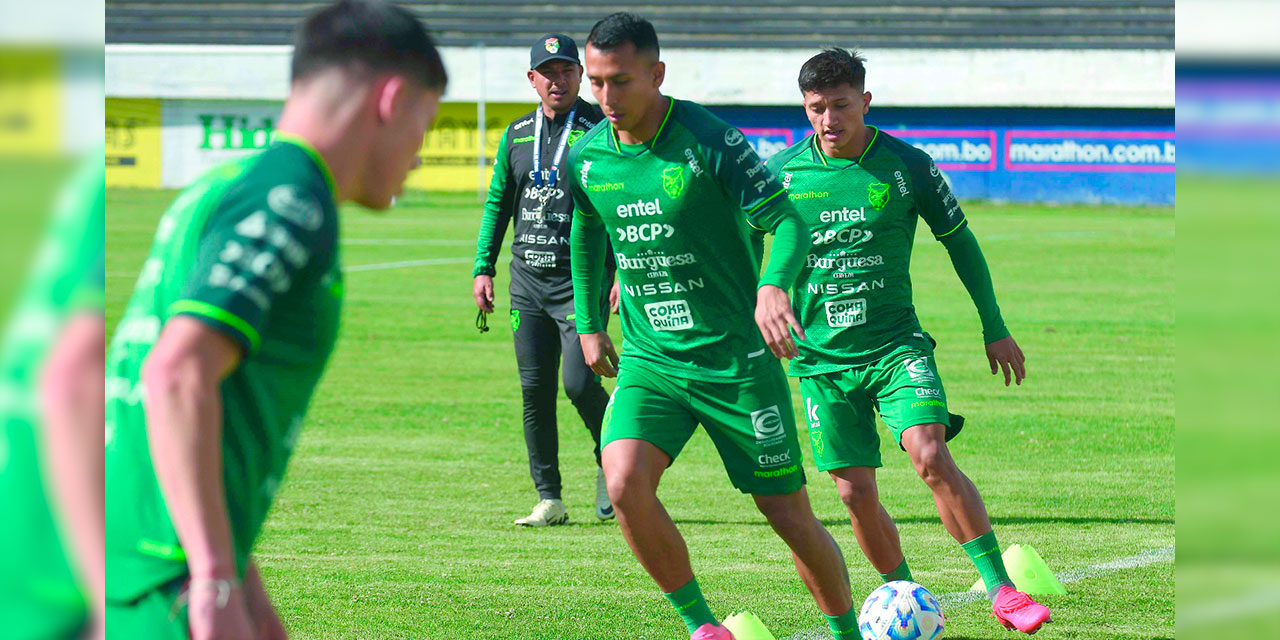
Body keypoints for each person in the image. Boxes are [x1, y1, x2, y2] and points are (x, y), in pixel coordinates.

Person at [103, 2, 447, 637]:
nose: (419, 156)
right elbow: (175, 372)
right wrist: (211, 576)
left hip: (142, 563)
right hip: (168, 582)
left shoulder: (227, 186)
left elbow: (219, 415)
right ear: (392, 100)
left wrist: (243, 581)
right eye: (425, 128)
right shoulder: (292, 200)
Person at [568, 13, 859, 640]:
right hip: (652, 361)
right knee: (622, 484)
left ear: (657, 74)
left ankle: (846, 632)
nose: (605, 98)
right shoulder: (588, 155)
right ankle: (703, 627)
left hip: (736, 363)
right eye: (596, 82)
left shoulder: (710, 139)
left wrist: (772, 285)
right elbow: (587, 228)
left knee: (789, 516)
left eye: (619, 82)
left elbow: (787, 221)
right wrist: (590, 323)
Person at [764, 47, 1052, 634]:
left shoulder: (907, 165)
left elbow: (961, 242)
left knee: (928, 452)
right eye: (816, 109)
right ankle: (905, 592)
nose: (829, 121)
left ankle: (1001, 589)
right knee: (852, 493)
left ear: (865, 102)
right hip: (820, 360)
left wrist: (993, 326)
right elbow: (735, 238)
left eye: (841, 106)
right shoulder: (783, 174)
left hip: (897, 347)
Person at [473, 33, 616, 527]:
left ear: (581, 75)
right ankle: (549, 497)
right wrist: (482, 266)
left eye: (566, 70)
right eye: (548, 72)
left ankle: (610, 464)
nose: (558, 80)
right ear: (532, 79)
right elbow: (498, 205)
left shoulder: (601, 129)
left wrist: (620, 275)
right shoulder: (515, 134)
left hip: (580, 282)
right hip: (527, 283)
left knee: (579, 384)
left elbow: (615, 208)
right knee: (534, 390)